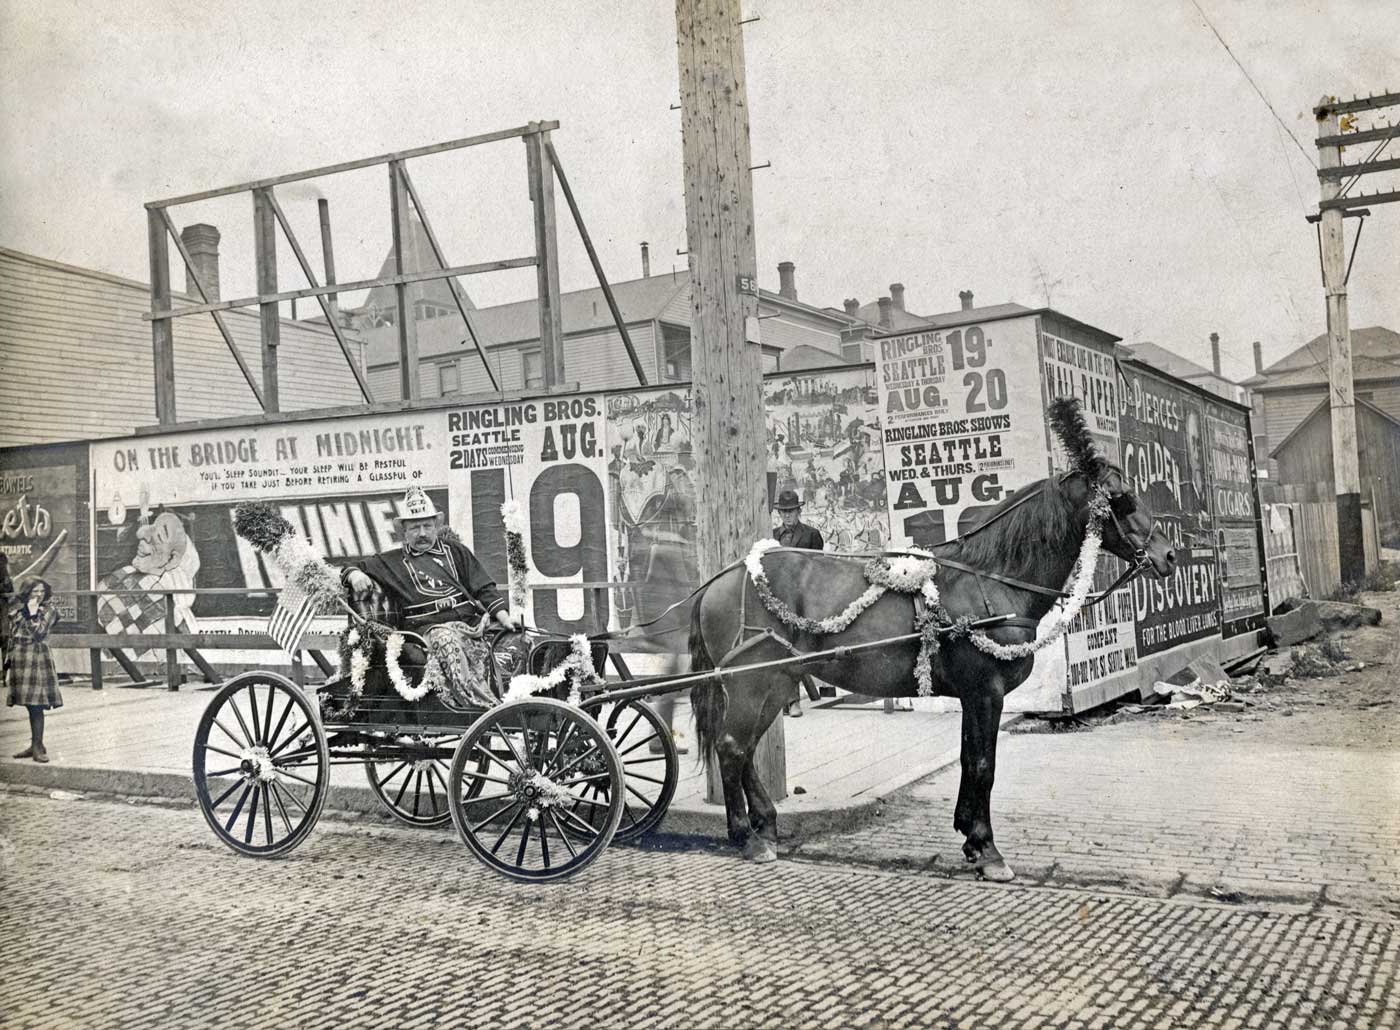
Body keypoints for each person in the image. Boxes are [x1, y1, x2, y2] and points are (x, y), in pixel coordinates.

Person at [342, 488, 519, 709]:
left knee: (518, 639)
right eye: (415, 528)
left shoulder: (456, 551)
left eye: (427, 526)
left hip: (470, 622)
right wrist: (355, 575)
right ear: (404, 532)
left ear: (436, 526)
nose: (422, 533)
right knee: (446, 640)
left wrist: (504, 618)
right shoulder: (391, 561)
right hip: (426, 629)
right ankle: (483, 707)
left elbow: (483, 586)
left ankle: (517, 698)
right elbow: (351, 567)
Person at [772, 489, 824, 715]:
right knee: (779, 645)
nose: (787, 515)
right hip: (777, 598)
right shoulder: (771, 536)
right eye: (784, 512)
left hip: (804, 597)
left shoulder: (812, 535)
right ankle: (786, 700)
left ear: (798, 511)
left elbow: (821, 567)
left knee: (794, 644)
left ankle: (793, 701)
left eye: (791, 511)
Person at [7, 579, 63, 763]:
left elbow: (39, 633)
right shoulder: (17, 612)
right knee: (30, 705)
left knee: (37, 704)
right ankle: (35, 744)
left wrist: (32, 614)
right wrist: (7, 663)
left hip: (38, 660)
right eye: (34, 591)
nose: (38, 595)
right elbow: (12, 637)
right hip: (21, 660)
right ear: (26, 592)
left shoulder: (49, 611)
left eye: (42, 591)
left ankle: (38, 746)